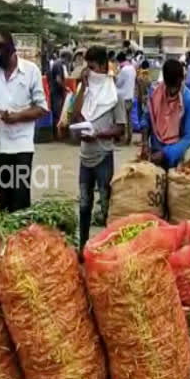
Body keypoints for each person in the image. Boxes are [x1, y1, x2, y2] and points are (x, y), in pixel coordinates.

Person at [0, 30, 49, 213]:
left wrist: (16, 117)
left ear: (12, 48)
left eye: (1, 48)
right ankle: (7, 240)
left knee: (20, 201)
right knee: (4, 201)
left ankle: (21, 239)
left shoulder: (31, 71)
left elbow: (42, 108)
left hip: (21, 148)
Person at [66, 46, 126, 249]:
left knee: (106, 205)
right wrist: (83, 87)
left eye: (91, 67)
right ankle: (83, 247)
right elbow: (75, 116)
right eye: (87, 68)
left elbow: (120, 130)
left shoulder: (114, 95)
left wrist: (98, 134)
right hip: (85, 157)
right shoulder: (88, 92)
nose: (88, 72)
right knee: (84, 206)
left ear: (102, 66)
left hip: (103, 156)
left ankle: (107, 249)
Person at [141, 59, 190, 170]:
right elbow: (146, 118)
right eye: (169, 86)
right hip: (153, 152)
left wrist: (165, 154)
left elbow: (189, 137)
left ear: (182, 79)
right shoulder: (155, 93)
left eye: (175, 87)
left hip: (175, 157)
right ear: (165, 81)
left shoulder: (189, 101)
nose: (172, 91)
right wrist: (144, 143)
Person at [115, 51, 137, 146]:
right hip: (130, 96)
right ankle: (129, 138)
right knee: (129, 119)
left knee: (123, 120)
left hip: (123, 97)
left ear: (119, 60)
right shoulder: (132, 68)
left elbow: (119, 83)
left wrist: (115, 77)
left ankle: (124, 139)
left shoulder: (123, 69)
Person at [50, 51, 71, 139]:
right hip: (56, 92)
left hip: (55, 91)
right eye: (68, 60)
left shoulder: (56, 63)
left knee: (57, 112)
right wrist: (65, 87)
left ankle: (57, 134)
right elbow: (58, 79)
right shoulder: (59, 64)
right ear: (66, 58)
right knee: (58, 112)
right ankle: (57, 135)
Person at [136, 59, 152, 132]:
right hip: (146, 99)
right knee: (145, 117)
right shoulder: (148, 76)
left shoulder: (139, 76)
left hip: (139, 98)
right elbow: (149, 87)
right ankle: (144, 133)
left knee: (140, 115)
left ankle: (142, 132)